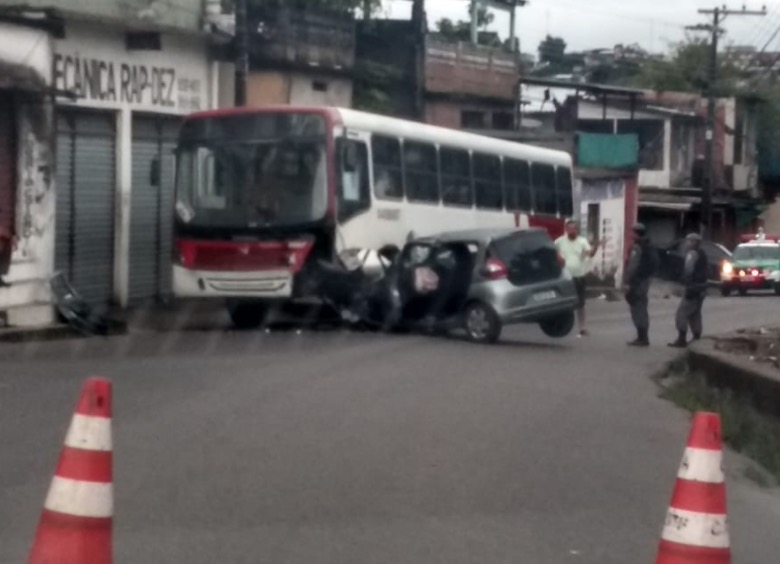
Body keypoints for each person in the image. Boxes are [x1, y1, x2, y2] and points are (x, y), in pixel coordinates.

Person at [554, 219, 603, 337]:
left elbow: (590, 254)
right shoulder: (560, 241)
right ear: (566, 230)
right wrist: (558, 258)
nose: (572, 231)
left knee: (580, 304)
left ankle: (582, 328)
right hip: (565, 278)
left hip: (579, 277)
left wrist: (596, 246)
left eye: (574, 229)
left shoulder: (582, 241)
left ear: (577, 230)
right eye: (570, 229)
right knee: (563, 303)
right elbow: (552, 251)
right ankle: (561, 326)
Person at [668, 232, 708, 348]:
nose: (687, 243)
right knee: (695, 313)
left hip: (693, 288)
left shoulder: (692, 254)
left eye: (689, 241)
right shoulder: (702, 254)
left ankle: (681, 338)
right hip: (702, 288)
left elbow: (688, 270)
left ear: (694, 242)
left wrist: (685, 281)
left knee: (682, 314)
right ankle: (697, 338)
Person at [623, 223, 657, 347]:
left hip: (637, 281)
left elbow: (633, 266)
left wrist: (627, 281)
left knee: (637, 308)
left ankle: (642, 337)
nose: (631, 234)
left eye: (633, 232)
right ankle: (643, 336)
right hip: (645, 280)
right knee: (642, 306)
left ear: (636, 233)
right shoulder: (648, 245)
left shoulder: (637, 247)